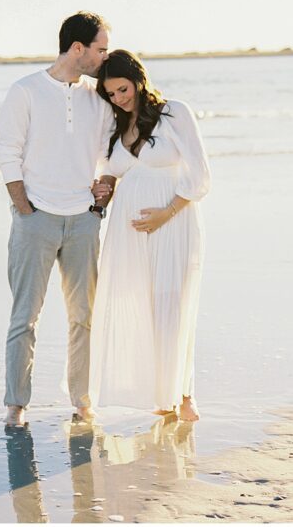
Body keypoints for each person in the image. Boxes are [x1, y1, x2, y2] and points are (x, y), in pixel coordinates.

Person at [0, 11, 117, 428]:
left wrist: (104, 191)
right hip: (37, 219)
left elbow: (106, 152)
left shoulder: (97, 98)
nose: (105, 56)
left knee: (83, 315)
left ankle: (82, 399)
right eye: (100, 49)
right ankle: (16, 403)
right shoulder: (25, 91)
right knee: (24, 316)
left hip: (83, 221)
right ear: (77, 48)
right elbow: (7, 151)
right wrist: (24, 208)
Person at [88, 49, 211, 421]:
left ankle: (184, 394)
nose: (119, 99)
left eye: (123, 90)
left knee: (173, 303)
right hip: (129, 234)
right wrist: (105, 185)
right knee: (141, 305)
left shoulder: (174, 113)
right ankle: (160, 393)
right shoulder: (116, 126)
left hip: (174, 222)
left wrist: (166, 213)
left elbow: (201, 175)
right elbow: (114, 170)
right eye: (111, 94)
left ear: (139, 81)